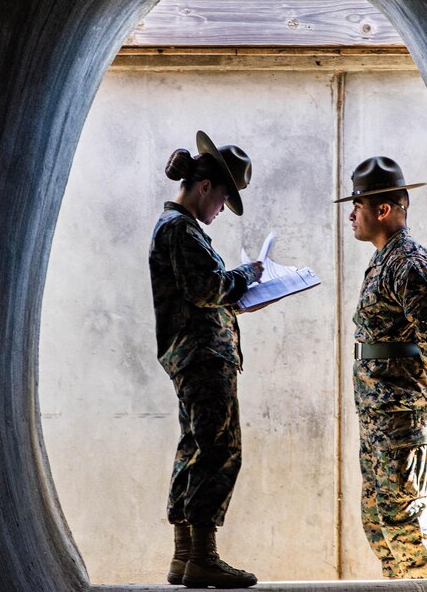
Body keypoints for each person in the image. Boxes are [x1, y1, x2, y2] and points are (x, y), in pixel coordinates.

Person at [149, 130, 263, 588]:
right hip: (202, 357)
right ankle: (202, 557)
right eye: (222, 201)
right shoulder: (181, 230)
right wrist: (244, 276)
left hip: (195, 355)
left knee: (194, 448)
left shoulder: (178, 229)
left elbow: (200, 294)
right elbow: (206, 288)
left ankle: (184, 557)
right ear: (204, 188)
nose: (221, 211)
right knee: (219, 450)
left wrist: (238, 296)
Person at [334, 156, 427, 580]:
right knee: (382, 523)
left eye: (358, 204)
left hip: (404, 415)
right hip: (380, 418)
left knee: (408, 528)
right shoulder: (385, 260)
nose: (352, 213)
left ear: (382, 210)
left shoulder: (408, 263)